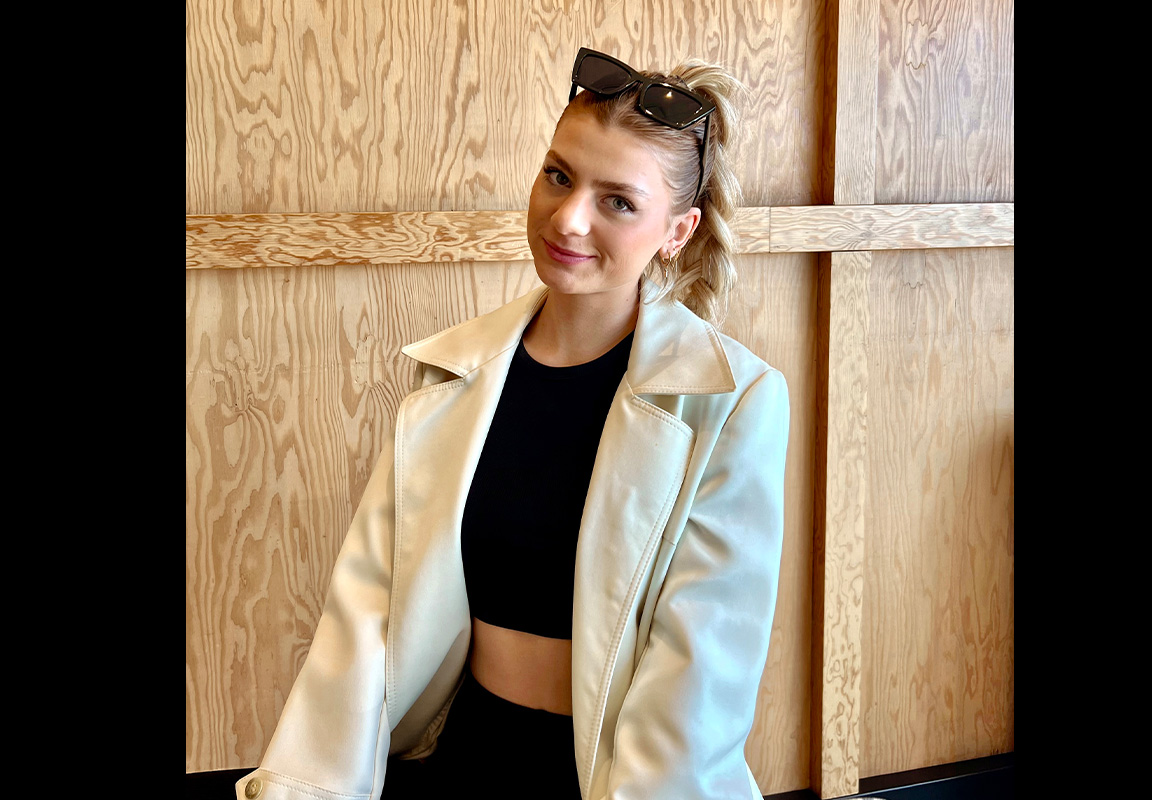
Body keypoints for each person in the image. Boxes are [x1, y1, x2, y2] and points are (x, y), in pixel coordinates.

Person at [235, 46, 789, 800]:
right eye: (559, 175)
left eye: (618, 201)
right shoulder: (453, 376)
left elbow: (696, 674)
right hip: (460, 758)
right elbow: (364, 617)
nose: (568, 218)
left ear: (677, 231)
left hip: (616, 782)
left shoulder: (737, 400)